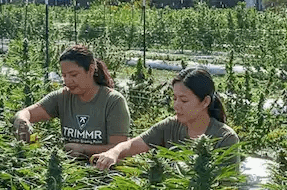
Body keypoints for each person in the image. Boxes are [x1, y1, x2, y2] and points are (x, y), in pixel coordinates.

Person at [92, 67, 239, 170]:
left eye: (184, 100)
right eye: (174, 98)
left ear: (205, 102)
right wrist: (113, 153)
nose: (176, 106)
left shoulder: (225, 138)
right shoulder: (170, 126)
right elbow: (132, 145)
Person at [13, 45, 131, 158]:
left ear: (90, 69)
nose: (67, 81)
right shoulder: (62, 97)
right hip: (66, 170)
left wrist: (83, 150)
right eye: (64, 75)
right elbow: (26, 113)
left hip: (103, 173)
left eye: (74, 75)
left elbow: (119, 149)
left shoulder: (113, 101)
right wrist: (22, 121)